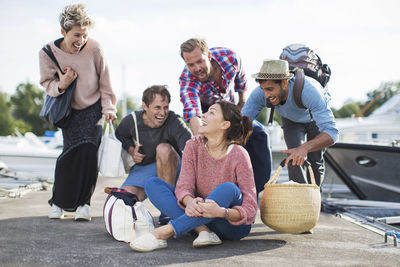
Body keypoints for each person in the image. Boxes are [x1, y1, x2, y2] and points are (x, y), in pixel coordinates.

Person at [130, 101, 257, 252]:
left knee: (229, 189)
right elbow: (184, 186)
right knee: (152, 184)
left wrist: (221, 212)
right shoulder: (193, 146)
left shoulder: (239, 154)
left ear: (224, 125)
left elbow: (250, 209)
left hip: (228, 225)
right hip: (196, 214)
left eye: (211, 112)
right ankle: (203, 231)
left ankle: (163, 233)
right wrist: (189, 201)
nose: (203, 115)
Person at [39, 4, 117, 221]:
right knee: (69, 156)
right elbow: (47, 84)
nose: (80, 40)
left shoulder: (95, 48)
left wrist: (109, 108)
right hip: (68, 112)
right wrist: (61, 84)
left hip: (93, 108)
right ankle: (58, 203)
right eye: (76, 35)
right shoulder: (47, 53)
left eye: (84, 35)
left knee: (89, 153)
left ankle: (84, 204)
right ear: (63, 32)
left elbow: (105, 81)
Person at [179, 38, 271, 195]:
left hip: (231, 108)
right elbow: (193, 112)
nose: (197, 68)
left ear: (208, 56)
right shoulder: (187, 79)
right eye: (191, 65)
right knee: (205, 144)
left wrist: (242, 107)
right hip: (206, 113)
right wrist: (201, 137)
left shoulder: (229, 58)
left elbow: (241, 83)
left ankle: (257, 189)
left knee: (257, 133)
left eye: (200, 61)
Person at [242, 59, 339, 186]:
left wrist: (304, 148)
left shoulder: (310, 91)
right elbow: (242, 122)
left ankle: (315, 202)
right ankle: (298, 202)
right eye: (263, 89)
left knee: (315, 161)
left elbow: (332, 134)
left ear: (284, 82)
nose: (266, 95)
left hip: (314, 119)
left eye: (270, 89)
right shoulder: (259, 94)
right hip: (291, 119)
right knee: (293, 159)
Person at [115, 85, 192, 224]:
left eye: (166, 107)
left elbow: (190, 147)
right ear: (145, 106)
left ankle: (168, 209)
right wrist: (132, 151)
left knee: (163, 149)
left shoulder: (174, 121)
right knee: (122, 201)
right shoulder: (132, 121)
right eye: (157, 107)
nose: (162, 113)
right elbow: (120, 134)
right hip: (145, 168)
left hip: (172, 167)